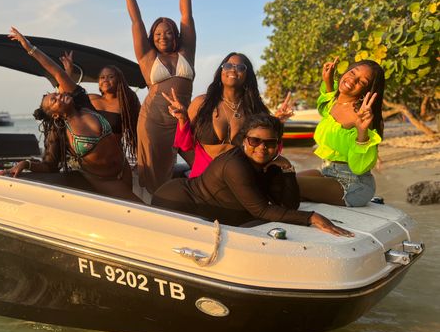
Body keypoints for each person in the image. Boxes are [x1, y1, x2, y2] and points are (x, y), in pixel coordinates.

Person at [152, 114, 353, 237]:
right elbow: (261, 211)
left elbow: (289, 205)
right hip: (176, 202)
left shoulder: (271, 164)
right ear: (244, 141)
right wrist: (312, 218)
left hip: (213, 210)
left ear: (277, 144)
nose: (262, 148)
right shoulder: (235, 164)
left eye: (270, 143)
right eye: (255, 141)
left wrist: (288, 171)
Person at [4, 27, 138, 201]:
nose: (59, 96)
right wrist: (26, 164)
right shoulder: (61, 132)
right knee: (142, 209)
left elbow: (57, 73)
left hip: (123, 168)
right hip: (105, 180)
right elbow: (50, 165)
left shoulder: (84, 104)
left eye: (58, 94)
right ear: (55, 115)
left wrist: (29, 46)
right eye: (54, 100)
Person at [112, 0, 196, 194]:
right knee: (156, 177)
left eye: (168, 32)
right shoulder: (147, 57)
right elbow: (136, 20)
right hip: (154, 121)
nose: (163, 37)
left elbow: (186, 16)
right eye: (158, 33)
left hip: (183, 119)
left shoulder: (186, 52)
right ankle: (161, 211)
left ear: (175, 35)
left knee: (201, 163)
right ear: (152, 36)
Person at [163, 52, 294, 177]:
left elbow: (268, 150)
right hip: (204, 179)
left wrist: (277, 123)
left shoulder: (255, 109)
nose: (233, 69)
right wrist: (182, 119)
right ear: (221, 71)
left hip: (242, 178)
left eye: (240, 67)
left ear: (247, 75)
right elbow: (184, 145)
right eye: (228, 66)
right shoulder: (201, 103)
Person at [297, 58, 385, 207]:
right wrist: (328, 80)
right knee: (283, 178)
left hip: (353, 184)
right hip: (327, 170)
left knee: (288, 184)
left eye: (362, 82)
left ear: (366, 91)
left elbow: (360, 167)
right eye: (352, 72)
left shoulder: (360, 117)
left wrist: (362, 131)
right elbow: (324, 107)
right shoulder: (335, 102)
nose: (353, 80)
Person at [60, 51, 141, 163]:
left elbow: (137, 136)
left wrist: (142, 161)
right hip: (86, 158)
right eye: (102, 77)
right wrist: (68, 71)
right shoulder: (91, 99)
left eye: (110, 77)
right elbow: (63, 99)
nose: (105, 80)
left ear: (119, 80)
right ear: (98, 82)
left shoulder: (126, 104)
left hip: (112, 158)